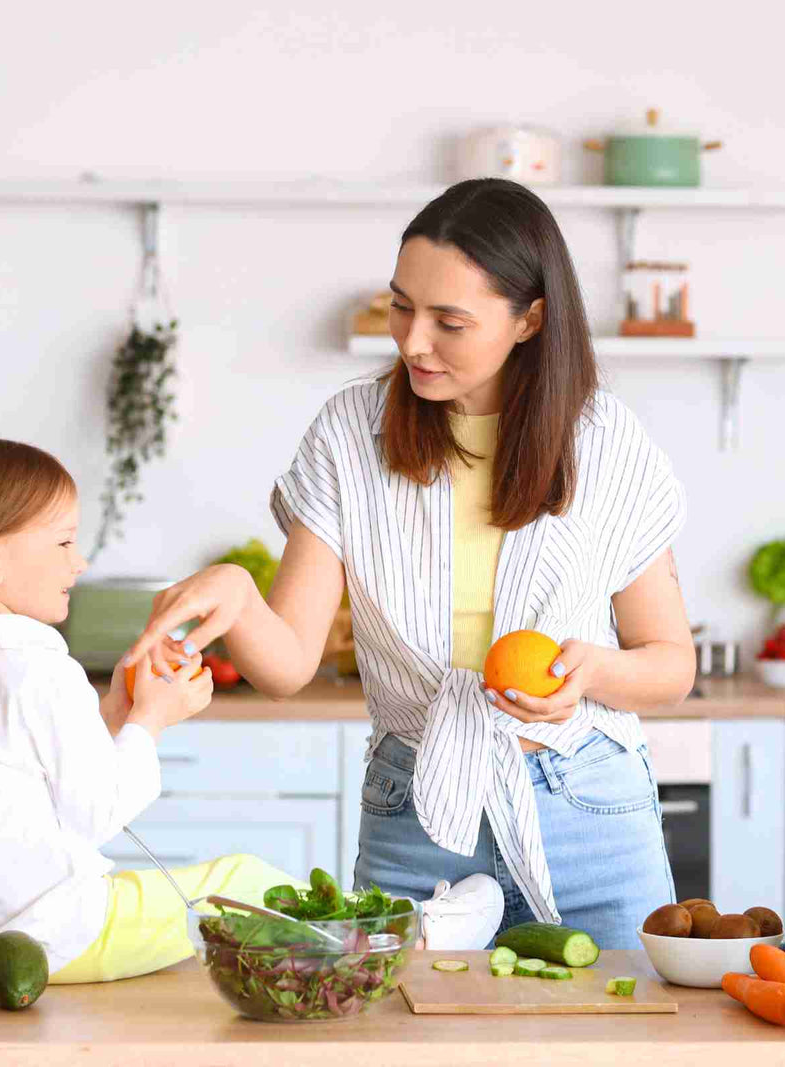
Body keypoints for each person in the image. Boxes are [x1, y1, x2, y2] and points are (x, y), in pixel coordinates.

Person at [123, 178, 697, 949]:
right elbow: (288, 664)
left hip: (586, 809)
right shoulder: (348, 435)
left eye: (449, 321)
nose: (412, 340)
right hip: (415, 813)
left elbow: (670, 663)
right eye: (402, 305)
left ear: (530, 319)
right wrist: (236, 592)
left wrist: (593, 674)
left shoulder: (606, 443)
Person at [0, 433, 292, 982]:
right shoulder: (41, 668)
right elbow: (94, 813)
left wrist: (116, 714)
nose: (80, 562)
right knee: (252, 881)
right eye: (62, 543)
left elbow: (34, 781)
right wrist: (151, 720)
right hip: (64, 936)